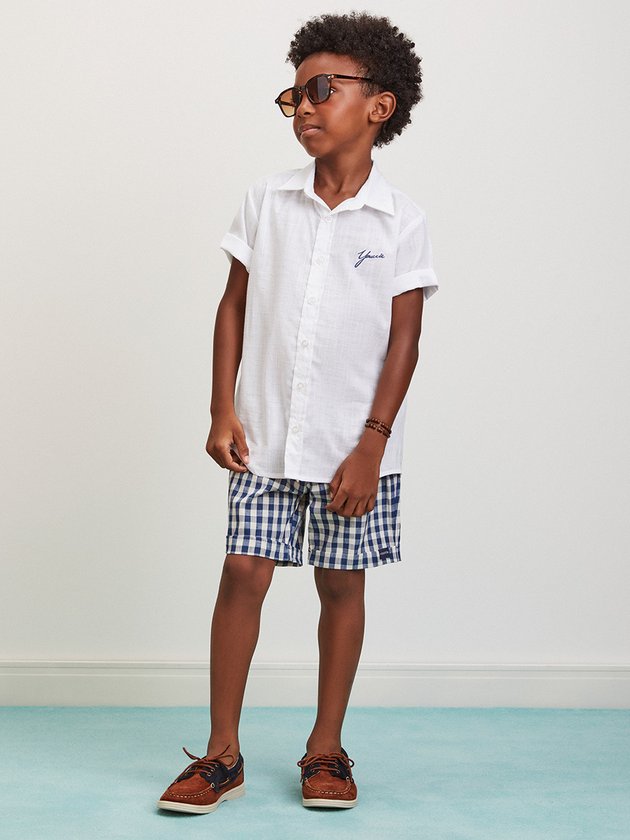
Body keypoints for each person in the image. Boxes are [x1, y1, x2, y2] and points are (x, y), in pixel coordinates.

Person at [157, 10, 439, 814]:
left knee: (340, 585)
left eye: (322, 89)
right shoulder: (267, 200)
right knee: (243, 572)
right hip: (266, 434)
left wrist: (372, 445)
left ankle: (326, 749)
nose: (304, 107)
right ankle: (222, 754)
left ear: (378, 105)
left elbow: (406, 339)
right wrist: (222, 408)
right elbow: (233, 306)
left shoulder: (401, 219)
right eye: (295, 95)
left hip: (354, 446)